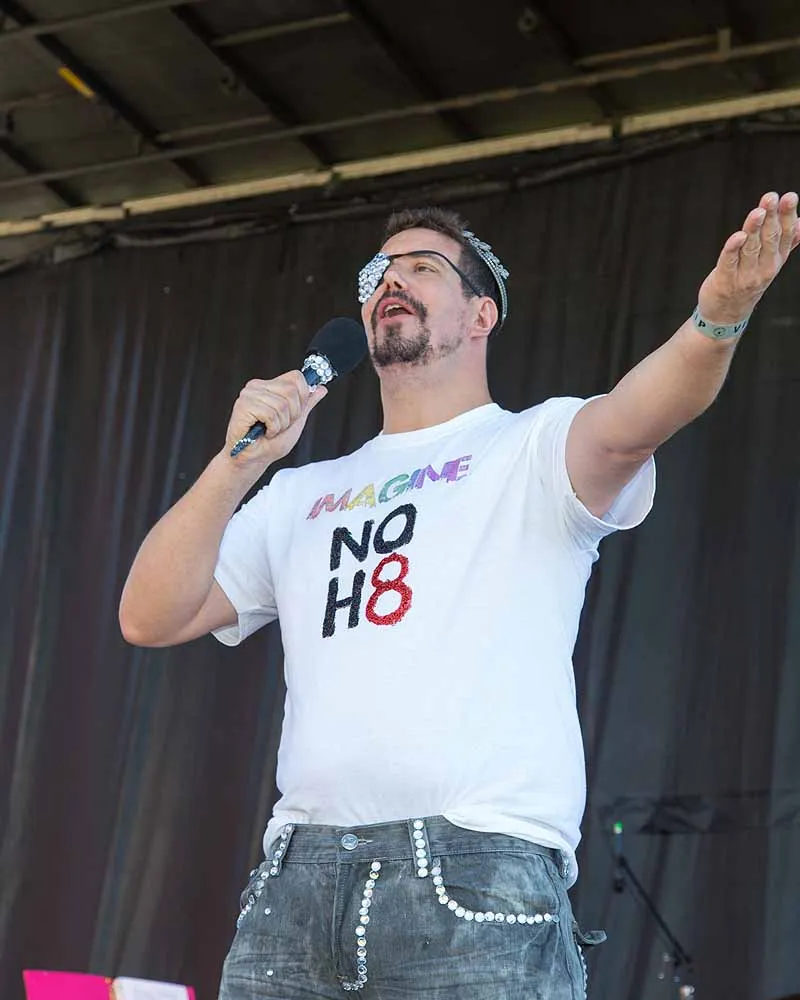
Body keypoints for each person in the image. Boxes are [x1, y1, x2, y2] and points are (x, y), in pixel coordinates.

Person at [120, 193, 800, 1000]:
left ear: (482, 314)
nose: (391, 282)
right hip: (297, 886)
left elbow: (637, 420)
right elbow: (150, 615)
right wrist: (238, 464)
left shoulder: (531, 445)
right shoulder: (300, 493)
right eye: (379, 273)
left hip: (474, 872)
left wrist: (718, 317)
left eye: (422, 267)